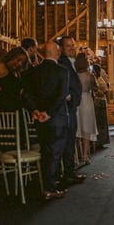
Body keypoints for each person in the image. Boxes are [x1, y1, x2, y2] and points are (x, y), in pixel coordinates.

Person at [21, 41, 69, 199]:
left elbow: (25, 94)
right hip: (57, 118)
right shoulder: (62, 71)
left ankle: (46, 186)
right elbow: (62, 95)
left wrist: (34, 110)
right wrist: (48, 113)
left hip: (39, 119)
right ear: (57, 52)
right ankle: (50, 188)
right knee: (55, 153)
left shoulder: (33, 72)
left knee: (45, 151)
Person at [56, 36, 85, 184]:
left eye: (73, 45)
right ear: (61, 48)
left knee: (70, 141)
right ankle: (67, 174)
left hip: (71, 107)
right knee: (67, 142)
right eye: (68, 46)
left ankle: (69, 172)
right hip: (66, 109)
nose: (72, 48)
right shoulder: (61, 63)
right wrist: (70, 97)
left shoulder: (70, 62)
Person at [74, 52, 98, 164]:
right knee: (86, 129)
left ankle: (74, 156)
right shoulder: (90, 75)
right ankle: (85, 156)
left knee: (76, 127)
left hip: (76, 101)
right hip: (87, 100)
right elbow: (96, 88)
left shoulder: (73, 75)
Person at [92, 64, 110, 147]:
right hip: (96, 101)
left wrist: (99, 92)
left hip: (101, 102)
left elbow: (106, 91)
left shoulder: (100, 80)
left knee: (101, 122)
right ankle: (98, 141)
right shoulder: (95, 79)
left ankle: (101, 141)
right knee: (98, 122)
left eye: (93, 70)